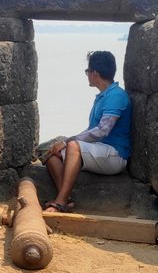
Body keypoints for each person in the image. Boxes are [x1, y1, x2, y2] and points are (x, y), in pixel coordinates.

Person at [43, 50, 132, 213]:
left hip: (115, 155)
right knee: (51, 154)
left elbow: (102, 131)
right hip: (99, 151)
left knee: (72, 146)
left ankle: (60, 202)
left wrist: (67, 142)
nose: (87, 75)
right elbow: (92, 131)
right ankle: (66, 199)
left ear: (95, 73)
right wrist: (63, 144)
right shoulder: (103, 96)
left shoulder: (116, 96)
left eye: (87, 71)